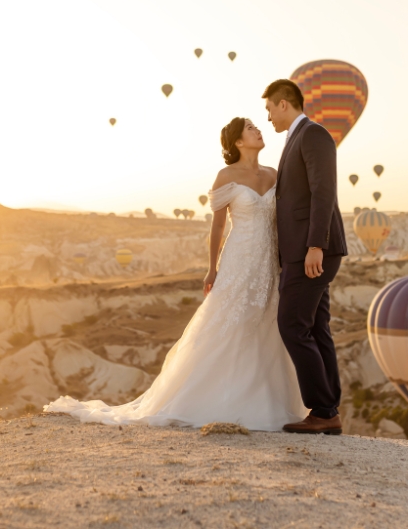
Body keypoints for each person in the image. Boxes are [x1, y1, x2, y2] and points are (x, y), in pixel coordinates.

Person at [43, 117, 306, 430]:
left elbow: (282, 221)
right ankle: (214, 401)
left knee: (265, 324)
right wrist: (212, 268)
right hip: (239, 260)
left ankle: (267, 404)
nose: (258, 130)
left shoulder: (274, 175)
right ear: (237, 141)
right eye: (251, 128)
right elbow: (218, 227)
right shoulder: (226, 176)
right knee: (230, 323)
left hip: (267, 263)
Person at [263, 78, 348, 435]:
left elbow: (323, 191)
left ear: (285, 104)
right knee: (315, 327)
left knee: (292, 325)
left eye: (269, 110)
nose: (267, 118)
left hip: (312, 250)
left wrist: (315, 244)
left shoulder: (313, 134)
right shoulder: (296, 138)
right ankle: (328, 410)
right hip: (304, 250)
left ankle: (322, 409)